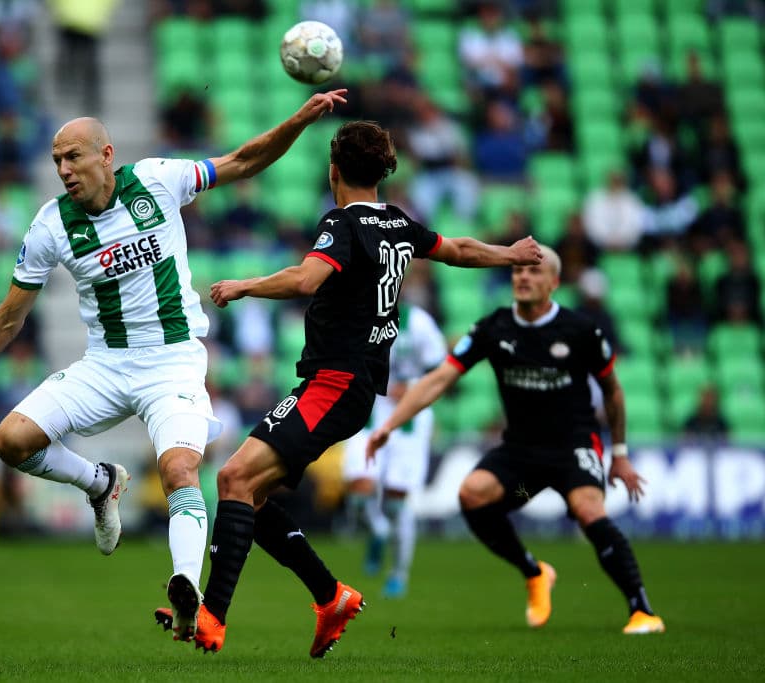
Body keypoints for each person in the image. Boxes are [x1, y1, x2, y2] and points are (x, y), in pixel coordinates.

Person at [0, 89, 350, 639]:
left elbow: (242, 161)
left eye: (74, 156)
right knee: (10, 440)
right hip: (105, 365)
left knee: (180, 471)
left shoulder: (158, 180)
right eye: (56, 161)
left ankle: (187, 590)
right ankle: (100, 483)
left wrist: (300, 119)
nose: (64, 170)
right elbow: (8, 317)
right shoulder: (51, 226)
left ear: (107, 155)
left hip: (173, 362)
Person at [161, 120, 542, 656]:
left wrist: (244, 285)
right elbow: (456, 248)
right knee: (249, 491)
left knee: (234, 476)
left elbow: (305, 280)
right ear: (383, 172)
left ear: (333, 170)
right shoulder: (399, 224)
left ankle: (213, 616)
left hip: (335, 382)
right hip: (350, 385)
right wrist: (510, 253)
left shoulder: (342, 224)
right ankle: (329, 595)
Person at [367, 245, 666, 635]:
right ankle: (534, 571)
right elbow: (440, 378)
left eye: (533, 271)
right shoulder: (494, 328)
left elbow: (613, 392)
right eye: (517, 271)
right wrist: (389, 425)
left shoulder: (580, 331)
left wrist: (620, 454)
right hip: (524, 466)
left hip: (572, 451)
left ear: (554, 283)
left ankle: (641, 610)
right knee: (472, 495)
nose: (523, 277)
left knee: (588, 510)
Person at [341, 300, 447, 599]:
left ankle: (398, 573)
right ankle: (378, 531)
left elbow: (441, 368)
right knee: (358, 492)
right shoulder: (357, 314)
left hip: (409, 417)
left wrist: (412, 384)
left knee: (396, 502)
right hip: (369, 411)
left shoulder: (419, 322)